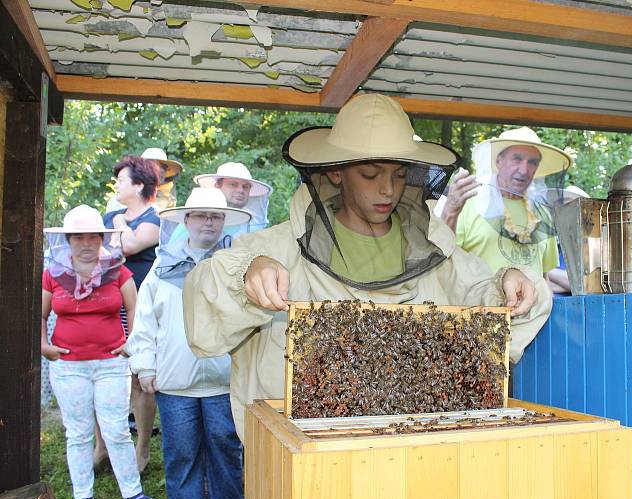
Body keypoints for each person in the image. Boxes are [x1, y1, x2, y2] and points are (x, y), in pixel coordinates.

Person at [182, 94, 553, 437]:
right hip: (304, 464)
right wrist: (246, 274)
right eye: (371, 175)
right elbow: (204, 306)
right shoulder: (277, 247)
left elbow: (488, 298)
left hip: (415, 453)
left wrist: (510, 281)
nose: (388, 190)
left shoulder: (435, 249)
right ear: (335, 172)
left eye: (398, 174)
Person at [127, 188, 250, 499]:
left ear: (224, 221)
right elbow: (146, 320)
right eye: (201, 215)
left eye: (216, 216)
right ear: (187, 220)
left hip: (223, 381)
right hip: (176, 382)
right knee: (181, 452)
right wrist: (146, 365)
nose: (209, 222)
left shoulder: (235, 266)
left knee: (226, 449)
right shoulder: (162, 267)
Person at [41, 205, 159, 499]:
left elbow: (136, 309)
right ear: (68, 239)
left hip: (110, 363)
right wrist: (44, 345)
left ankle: (132, 491)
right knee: (78, 433)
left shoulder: (118, 270)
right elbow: (38, 314)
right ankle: (82, 498)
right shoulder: (53, 273)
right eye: (78, 236)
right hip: (68, 366)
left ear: (101, 238)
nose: (86, 242)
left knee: (117, 429)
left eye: (92, 235)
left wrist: (131, 343)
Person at [437, 127, 572, 284]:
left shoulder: (542, 214)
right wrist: (450, 212)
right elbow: (441, 261)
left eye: (532, 162)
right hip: (478, 306)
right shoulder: (469, 203)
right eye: (517, 159)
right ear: (498, 161)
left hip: (534, 308)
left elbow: (544, 276)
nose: (524, 170)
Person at [99, 155, 162, 473]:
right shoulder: (107, 215)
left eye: (122, 179)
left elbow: (130, 246)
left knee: (139, 379)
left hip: (142, 310)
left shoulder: (154, 217)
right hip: (109, 308)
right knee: (106, 377)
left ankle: (142, 448)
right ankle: (102, 448)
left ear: (139, 185)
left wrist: (121, 225)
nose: (117, 184)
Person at [195, 162, 273, 234]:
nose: (241, 190)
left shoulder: (255, 224)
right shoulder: (195, 221)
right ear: (217, 186)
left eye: (245, 187)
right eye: (233, 184)